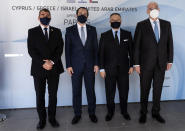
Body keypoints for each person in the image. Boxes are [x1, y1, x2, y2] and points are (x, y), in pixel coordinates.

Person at [133, 2, 173, 124]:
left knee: (158, 89)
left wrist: (170, 60)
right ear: (147, 11)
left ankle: (156, 112)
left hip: (161, 63)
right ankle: (143, 113)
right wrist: (136, 64)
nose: (153, 10)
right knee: (144, 89)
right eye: (151, 8)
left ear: (159, 9)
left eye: (155, 8)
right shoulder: (141, 25)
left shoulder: (166, 24)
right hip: (145, 64)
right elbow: (137, 47)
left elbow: (169, 43)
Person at [27, 8, 64, 129]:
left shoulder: (57, 31)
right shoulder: (32, 32)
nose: (45, 17)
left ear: (50, 17)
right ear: (38, 17)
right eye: (42, 15)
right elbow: (31, 50)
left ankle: (52, 118)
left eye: (48, 15)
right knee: (40, 95)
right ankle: (42, 120)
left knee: (53, 95)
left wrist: (51, 62)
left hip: (54, 67)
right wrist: (43, 63)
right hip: (39, 68)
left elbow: (59, 49)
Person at [65, 7, 99, 124]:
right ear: (76, 15)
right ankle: (77, 114)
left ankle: (92, 113)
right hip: (75, 66)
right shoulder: (69, 30)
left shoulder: (93, 29)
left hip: (90, 66)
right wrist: (68, 65)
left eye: (84, 13)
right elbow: (67, 49)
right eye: (80, 13)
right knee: (76, 91)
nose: (82, 15)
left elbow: (95, 48)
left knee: (90, 90)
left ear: (87, 16)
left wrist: (96, 64)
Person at [99, 13, 133, 121]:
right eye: (113, 19)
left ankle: (124, 111)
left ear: (121, 21)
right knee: (110, 93)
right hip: (109, 70)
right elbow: (101, 54)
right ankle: (110, 112)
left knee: (124, 92)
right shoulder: (104, 35)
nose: (115, 21)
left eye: (117, 19)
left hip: (124, 70)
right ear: (109, 21)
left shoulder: (127, 34)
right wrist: (102, 69)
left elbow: (132, 52)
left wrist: (131, 65)